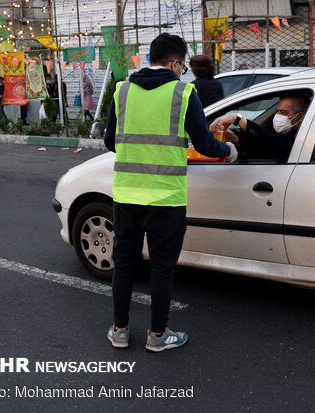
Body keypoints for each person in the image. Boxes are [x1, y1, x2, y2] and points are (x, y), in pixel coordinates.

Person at [104, 33, 237, 352]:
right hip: (166, 199)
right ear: (175, 63)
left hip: (126, 197)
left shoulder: (122, 91)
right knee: (162, 269)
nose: (184, 73)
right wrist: (229, 150)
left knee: (124, 264)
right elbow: (205, 144)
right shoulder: (182, 92)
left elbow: (111, 142)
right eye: (183, 67)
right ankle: (158, 336)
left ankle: (120, 331)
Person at [210, 95, 309, 161]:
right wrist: (236, 139)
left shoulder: (306, 135)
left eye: (283, 112)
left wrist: (237, 119)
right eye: (277, 111)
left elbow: (277, 143)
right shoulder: (283, 130)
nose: (277, 116)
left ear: (299, 117)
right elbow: (263, 147)